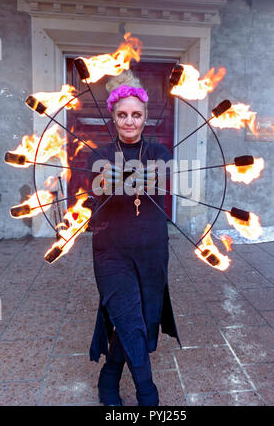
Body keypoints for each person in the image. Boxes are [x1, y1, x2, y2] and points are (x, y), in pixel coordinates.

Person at [87, 70, 181, 406]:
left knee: (139, 321)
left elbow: (164, 182)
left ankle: (108, 377)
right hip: (111, 253)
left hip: (152, 251)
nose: (130, 122)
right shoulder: (97, 156)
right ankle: (148, 396)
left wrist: (135, 176)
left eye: (136, 115)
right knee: (127, 318)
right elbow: (98, 189)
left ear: (145, 117)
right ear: (113, 117)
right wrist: (108, 181)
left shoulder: (160, 153)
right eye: (122, 115)